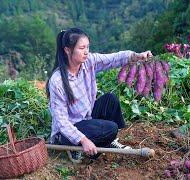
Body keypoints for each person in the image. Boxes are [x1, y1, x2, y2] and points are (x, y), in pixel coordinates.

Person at [46, 27, 153, 163]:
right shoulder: (57, 81)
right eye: (81, 48)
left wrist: (136, 56)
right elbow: (61, 121)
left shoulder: (89, 62)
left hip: (87, 117)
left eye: (87, 47)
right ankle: (75, 148)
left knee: (110, 100)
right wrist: (83, 140)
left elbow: (113, 58)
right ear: (67, 50)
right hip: (68, 131)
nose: (86, 52)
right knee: (111, 128)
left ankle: (108, 141)